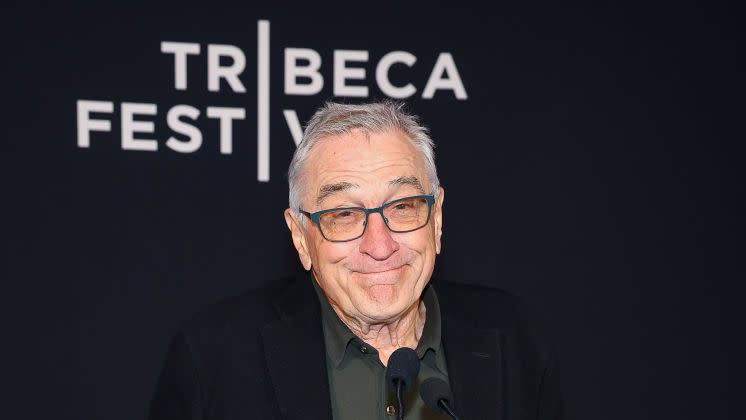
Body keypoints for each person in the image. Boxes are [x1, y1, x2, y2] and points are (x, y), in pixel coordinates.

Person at [149, 101, 563, 419]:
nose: (379, 245)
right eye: (344, 215)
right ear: (300, 237)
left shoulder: (512, 336)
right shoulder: (215, 357)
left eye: (402, 206)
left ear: (436, 219)